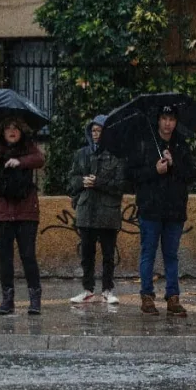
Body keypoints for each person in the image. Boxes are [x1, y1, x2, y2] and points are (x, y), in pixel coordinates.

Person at [127, 105, 196, 316]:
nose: (168, 123)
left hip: (174, 209)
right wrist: (154, 170)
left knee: (171, 255)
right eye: (164, 119)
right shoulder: (144, 143)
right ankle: (147, 296)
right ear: (158, 120)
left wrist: (174, 164)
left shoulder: (181, 145)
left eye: (172, 119)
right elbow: (131, 174)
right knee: (148, 252)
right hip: (150, 209)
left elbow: (192, 174)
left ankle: (173, 297)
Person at [0, 117, 46, 315]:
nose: (12, 131)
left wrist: (20, 161)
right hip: (1, 212)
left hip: (26, 211)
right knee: (5, 257)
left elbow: (40, 159)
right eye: (7, 128)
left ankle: (35, 299)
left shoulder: (29, 147)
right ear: (1, 132)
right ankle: (7, 299)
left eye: (15, 128)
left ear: (21, 131)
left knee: (28, 255)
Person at [68, 115, 126, 305]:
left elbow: (120, 185)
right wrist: (81, 184)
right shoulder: (81, 154)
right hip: (86, 212)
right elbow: (72, 180)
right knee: (87, 254)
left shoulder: (116, 156)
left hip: (108, 213)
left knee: (108, 254)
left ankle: (108, 289)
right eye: (93, 130)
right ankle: (87, 289)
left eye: (99, 130)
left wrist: (98, 182)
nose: (95, 134)